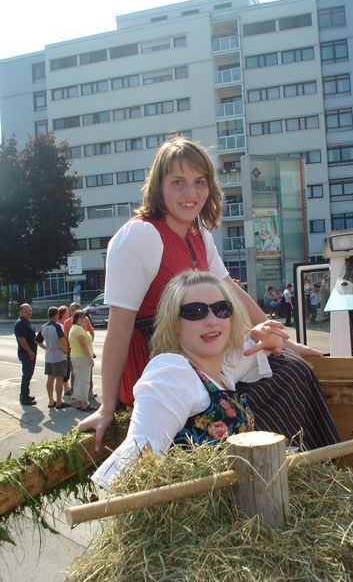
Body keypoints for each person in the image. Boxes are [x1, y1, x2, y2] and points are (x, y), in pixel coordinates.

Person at [79, 137, 339, 451]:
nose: (191, 194)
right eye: (178, 182)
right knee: (272, 386)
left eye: (199, 182)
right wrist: (107, 405)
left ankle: (313, 465)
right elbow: (119, 326)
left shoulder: (198, 232)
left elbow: (231, 290)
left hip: (204, 349)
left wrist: (286, 341)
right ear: (158, 185)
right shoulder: (141, 235)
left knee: (293, 369)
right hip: (159, 358)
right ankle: (279, 467)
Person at [92, 270, 277, 489]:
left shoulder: (220, 368)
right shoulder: (172, 372)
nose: (212, 320)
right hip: (202, 519)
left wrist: (267, 338)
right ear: (174, 324)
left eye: (221, 309)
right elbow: (135, 466)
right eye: (195, 312)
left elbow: (251, 352)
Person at [36, 306, 70, 410]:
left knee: (50, 379)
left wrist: (46, 348)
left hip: (49, 356)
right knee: (59, 379)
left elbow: (37, 341)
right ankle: (59, 402)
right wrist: (65, 350)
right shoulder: (58, 326)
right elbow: (62, 340)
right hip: (58, 357)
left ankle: (51, 401)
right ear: (56, 315)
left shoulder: (43, 327)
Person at [64, 302, 95, 397]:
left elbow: (91, 332)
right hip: (79, 354)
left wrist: (90, 343)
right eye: (70, 310)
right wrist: (90, 356)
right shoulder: (70, 324)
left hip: (80, 353)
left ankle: (85, 393)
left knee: (85, 375)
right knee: (79, 376)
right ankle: (80, 398)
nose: (70, 311)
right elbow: (77, 342)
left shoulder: (83, 322)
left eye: (72, 310)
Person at [68, 310, 97, 412]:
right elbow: (83, 345)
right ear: (76, 319)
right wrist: (90, 357)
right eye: (81, 317)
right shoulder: (78, 329)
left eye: (84, 317)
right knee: (84, 381)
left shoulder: (75, 328)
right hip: (82, 357)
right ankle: (84, 403)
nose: (84, 319)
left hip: (77, 357)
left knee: (79, 380)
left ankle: (80, 402)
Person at [14, 303, 37, 406]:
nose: (29, 313)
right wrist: (30, 352)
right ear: (21, 312)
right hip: (26, 353)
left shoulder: (27, 322)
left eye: (30, 311)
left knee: (28, 374)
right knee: (26, 375)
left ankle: (25, 395)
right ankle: (24, 398)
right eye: (26, 311)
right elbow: (22, 340)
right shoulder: (20, 324)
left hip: (30, 353)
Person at [58, 305, 72, 396]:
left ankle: (67, 387)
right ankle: (66, 389)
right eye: (67, 312)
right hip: (64, 349)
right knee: (66, 369)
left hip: (68, 348)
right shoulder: (60, 324)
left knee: (68, 368)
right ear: (63, 314)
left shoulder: (67, 322)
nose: (69, 313)